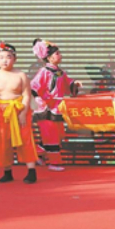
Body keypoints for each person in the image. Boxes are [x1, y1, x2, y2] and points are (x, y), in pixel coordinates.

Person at [0, 42, 38, 183]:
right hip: (2, 110)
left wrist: (23, 112)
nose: (4, 60)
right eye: (1, 57)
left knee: (25, 138)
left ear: (15, 59)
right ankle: (7, 172)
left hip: (19, 108)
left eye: (8, 57)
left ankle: (31, 171)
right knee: (3, 141)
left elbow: (26, 95)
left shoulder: (21, 75)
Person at [31, 38, 81, 172]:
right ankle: (54, 163)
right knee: (51, 136)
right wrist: (40, 99)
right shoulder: (44, 71)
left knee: (58, 135)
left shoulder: (60, 72)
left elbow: (67, 83)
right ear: (49, 58)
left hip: (57, 107)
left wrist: (74, 84)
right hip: (46, 108)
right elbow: (33, 87)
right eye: (57, 53)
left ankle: (35, 154)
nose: (60, 55)